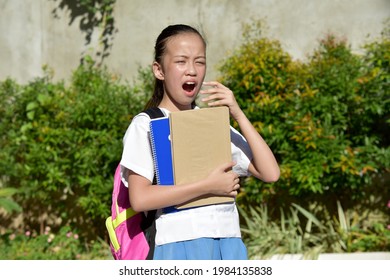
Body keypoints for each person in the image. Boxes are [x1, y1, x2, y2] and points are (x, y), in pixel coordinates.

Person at [120, 24, 280, 260]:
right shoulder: (146, 125)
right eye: (181, 61)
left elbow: (270, 173)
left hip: (228, 242)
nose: (192, 71)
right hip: (176, 245)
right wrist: (208, 186)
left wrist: (237, 113)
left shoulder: (212, 123)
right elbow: (141, 198)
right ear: (159, 70)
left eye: (200, 61)